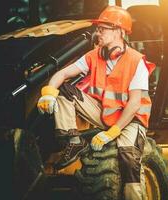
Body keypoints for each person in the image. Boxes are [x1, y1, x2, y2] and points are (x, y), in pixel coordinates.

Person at [37, 6, 155, 200]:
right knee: (64, 90)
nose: (97, 32)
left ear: (119, 31)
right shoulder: (95, 55)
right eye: (98, 29)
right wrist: (49, 92)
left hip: (131, 120)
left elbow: (134, 104)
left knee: (128, 158)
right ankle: (74, 141)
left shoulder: (136, 61)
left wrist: (113, 132)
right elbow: (63, 74)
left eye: (103, 29)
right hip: (104, 114)